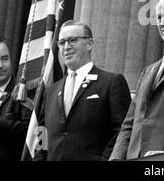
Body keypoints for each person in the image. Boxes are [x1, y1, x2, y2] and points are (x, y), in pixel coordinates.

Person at [109, 0, 164, 160]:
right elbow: (130, 123)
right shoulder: (149, 70)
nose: (163, 23)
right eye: (159, 17)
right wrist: (116, 158)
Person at [37, 20, 131, 160]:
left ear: (89, 44)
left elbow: (122, 131)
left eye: (73, 40)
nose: (66, 47)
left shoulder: (111, 82)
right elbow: (42, 132)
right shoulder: (51, 90)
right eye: (62, 43)